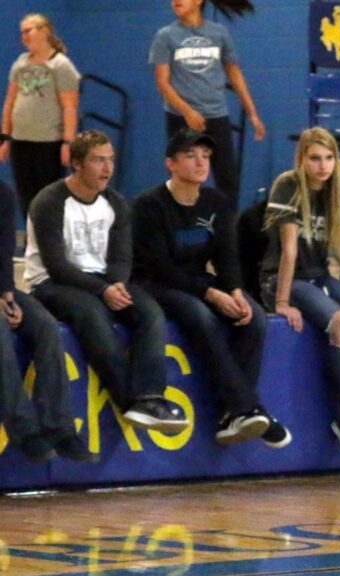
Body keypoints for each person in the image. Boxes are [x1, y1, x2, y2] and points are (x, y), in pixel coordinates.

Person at [24, 130, 188, 436]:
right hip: (51, 282)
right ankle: (128, 401)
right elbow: (57, 266)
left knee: (150, 312)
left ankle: (151, 397)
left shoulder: (116, 203)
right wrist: (102, 291)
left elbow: (121, 257)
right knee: (92, 315)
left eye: (110, 160)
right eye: (98, 160)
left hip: (102, 279)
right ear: (76, 164)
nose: (107, 168)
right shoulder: (49, 201)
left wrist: (115, 285)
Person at [133, 129, 290, 448]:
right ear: (171, 164)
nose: (201, 162)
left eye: (205, 156)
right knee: (201, 317)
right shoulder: (149, 205)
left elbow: (226, 255)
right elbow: (160, 266)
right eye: (191, 155)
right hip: (156, 283)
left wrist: (233, 289)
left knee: (254, 317)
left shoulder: (216, 201)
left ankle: (231, 414)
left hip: (198, 279)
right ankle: (248, 407)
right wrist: (210, 294)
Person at [260, 127, 340, 460]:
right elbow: (288, 250)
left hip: (319, 276)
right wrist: (282, 302)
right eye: (315, 158)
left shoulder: (336, 189)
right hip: (283, 279)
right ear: (301, 160)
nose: (322, 166)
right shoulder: (287, 185)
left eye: (329, 158)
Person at [0, 177, 90, 463]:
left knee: (47, 327)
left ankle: (59, 427)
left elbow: (3, 252)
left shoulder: (4, 193)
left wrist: (5, 294)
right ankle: (24, 430)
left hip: (2, 289)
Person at [149, 0, 265, 210]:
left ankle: (226, 233)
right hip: (180, 118)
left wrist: (252, 112)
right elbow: (162, 84)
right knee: (184, 178)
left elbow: (235, 74)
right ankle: (181, 228)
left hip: (216, 115)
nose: (176, 1)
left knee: (227, 179)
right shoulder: (165, 35)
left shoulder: (218, 33)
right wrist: (187, 112)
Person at [0, 13, 79, 218]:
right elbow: (10, 102)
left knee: (47, 198)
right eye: (21, 33)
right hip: (20, 141)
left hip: (48, 143)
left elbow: (69, 107)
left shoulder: (60, 65)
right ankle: (30, 244)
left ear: (44, 31)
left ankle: (47, 244)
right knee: (25, 196)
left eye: (28, 31)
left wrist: (67, 143)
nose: (23, 36)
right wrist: (5, 138)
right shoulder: (20, 63)